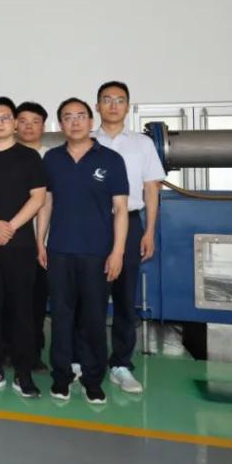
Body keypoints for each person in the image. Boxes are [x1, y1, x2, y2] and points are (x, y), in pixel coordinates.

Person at [37, 98, 128, 404]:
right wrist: (40, 241)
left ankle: (93, 380)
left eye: (80, 116)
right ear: (61, 124)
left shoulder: (111, 160)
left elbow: (121, 209)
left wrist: (117, 252)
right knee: (61, 318)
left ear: (91, 121)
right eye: (67, 117)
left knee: (93, 318)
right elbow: (46, 203)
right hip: (59, 251)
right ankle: (61, 377)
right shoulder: (52, 158)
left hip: (97, 253)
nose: (74, 122)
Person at [0, 98, 47, 398]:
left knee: (22, 310)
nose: (0, 122)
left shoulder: (30, 157)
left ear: (15, 122)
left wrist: (10, 227)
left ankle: (24, 373)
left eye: (5, 117)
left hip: (20, 245)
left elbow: (37, 198)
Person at [94, 81, 165, 395]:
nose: (113, 105)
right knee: (90, 296)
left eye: (119, 100)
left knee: (125, 297)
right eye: (107, 100)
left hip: (132, 222)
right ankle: (87, 361)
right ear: (97, 106)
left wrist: (149, 231)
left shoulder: (142, 144)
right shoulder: (86, 141)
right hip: (93, 224)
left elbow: (151, 189)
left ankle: (121, 364)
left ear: (127, 106)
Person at [16, 100, 51, 370]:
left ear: (44, 126)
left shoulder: (51, 157)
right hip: (10, 240)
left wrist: (42, 241)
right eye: (23, 121)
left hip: (44, 242)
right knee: (9, 299)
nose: (29, 127)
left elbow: (47, 201)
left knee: (36, 300)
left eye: (35, 122)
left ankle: (34, 352)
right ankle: (7, 349)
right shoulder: (5, 154)